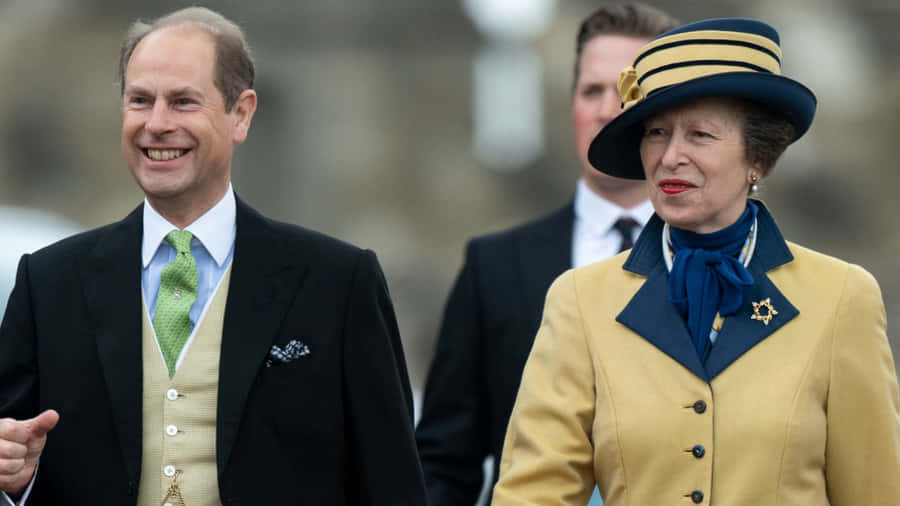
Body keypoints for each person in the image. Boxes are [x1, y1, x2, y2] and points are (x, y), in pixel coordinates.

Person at [0, 7, 426, 505]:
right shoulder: (48, 282)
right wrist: (14, 480)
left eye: (183, 102)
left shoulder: (338, 283)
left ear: (241, 113)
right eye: (140, 100)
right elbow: (11, 452)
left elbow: (392, 483)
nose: (156, 124)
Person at [491, 17, 900, 505]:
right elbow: (533, 495)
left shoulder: (842, 297)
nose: (670, 157)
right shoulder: (579, 300)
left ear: (759, 158)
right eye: (657, 132)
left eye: (700, 135)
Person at [414, 4, 677, 505]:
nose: (605, 110)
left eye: (628, 93)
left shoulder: (731, 261)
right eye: (591, 91)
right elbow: (445, 461)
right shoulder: (494, 266)